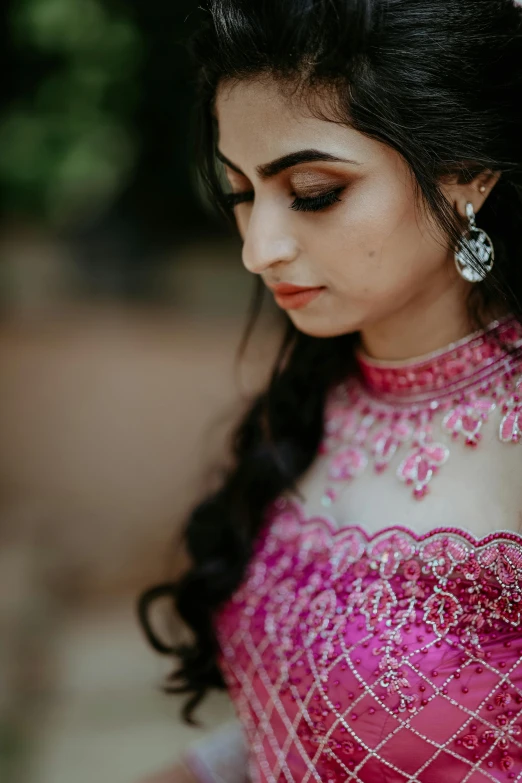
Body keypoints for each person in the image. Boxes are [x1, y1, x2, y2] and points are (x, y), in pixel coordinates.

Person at [138, 1, 522, 780]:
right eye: (241, 191)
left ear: (467, 177)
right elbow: (314, 722)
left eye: (312, 192)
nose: (258, 249)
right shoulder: (321, 396)